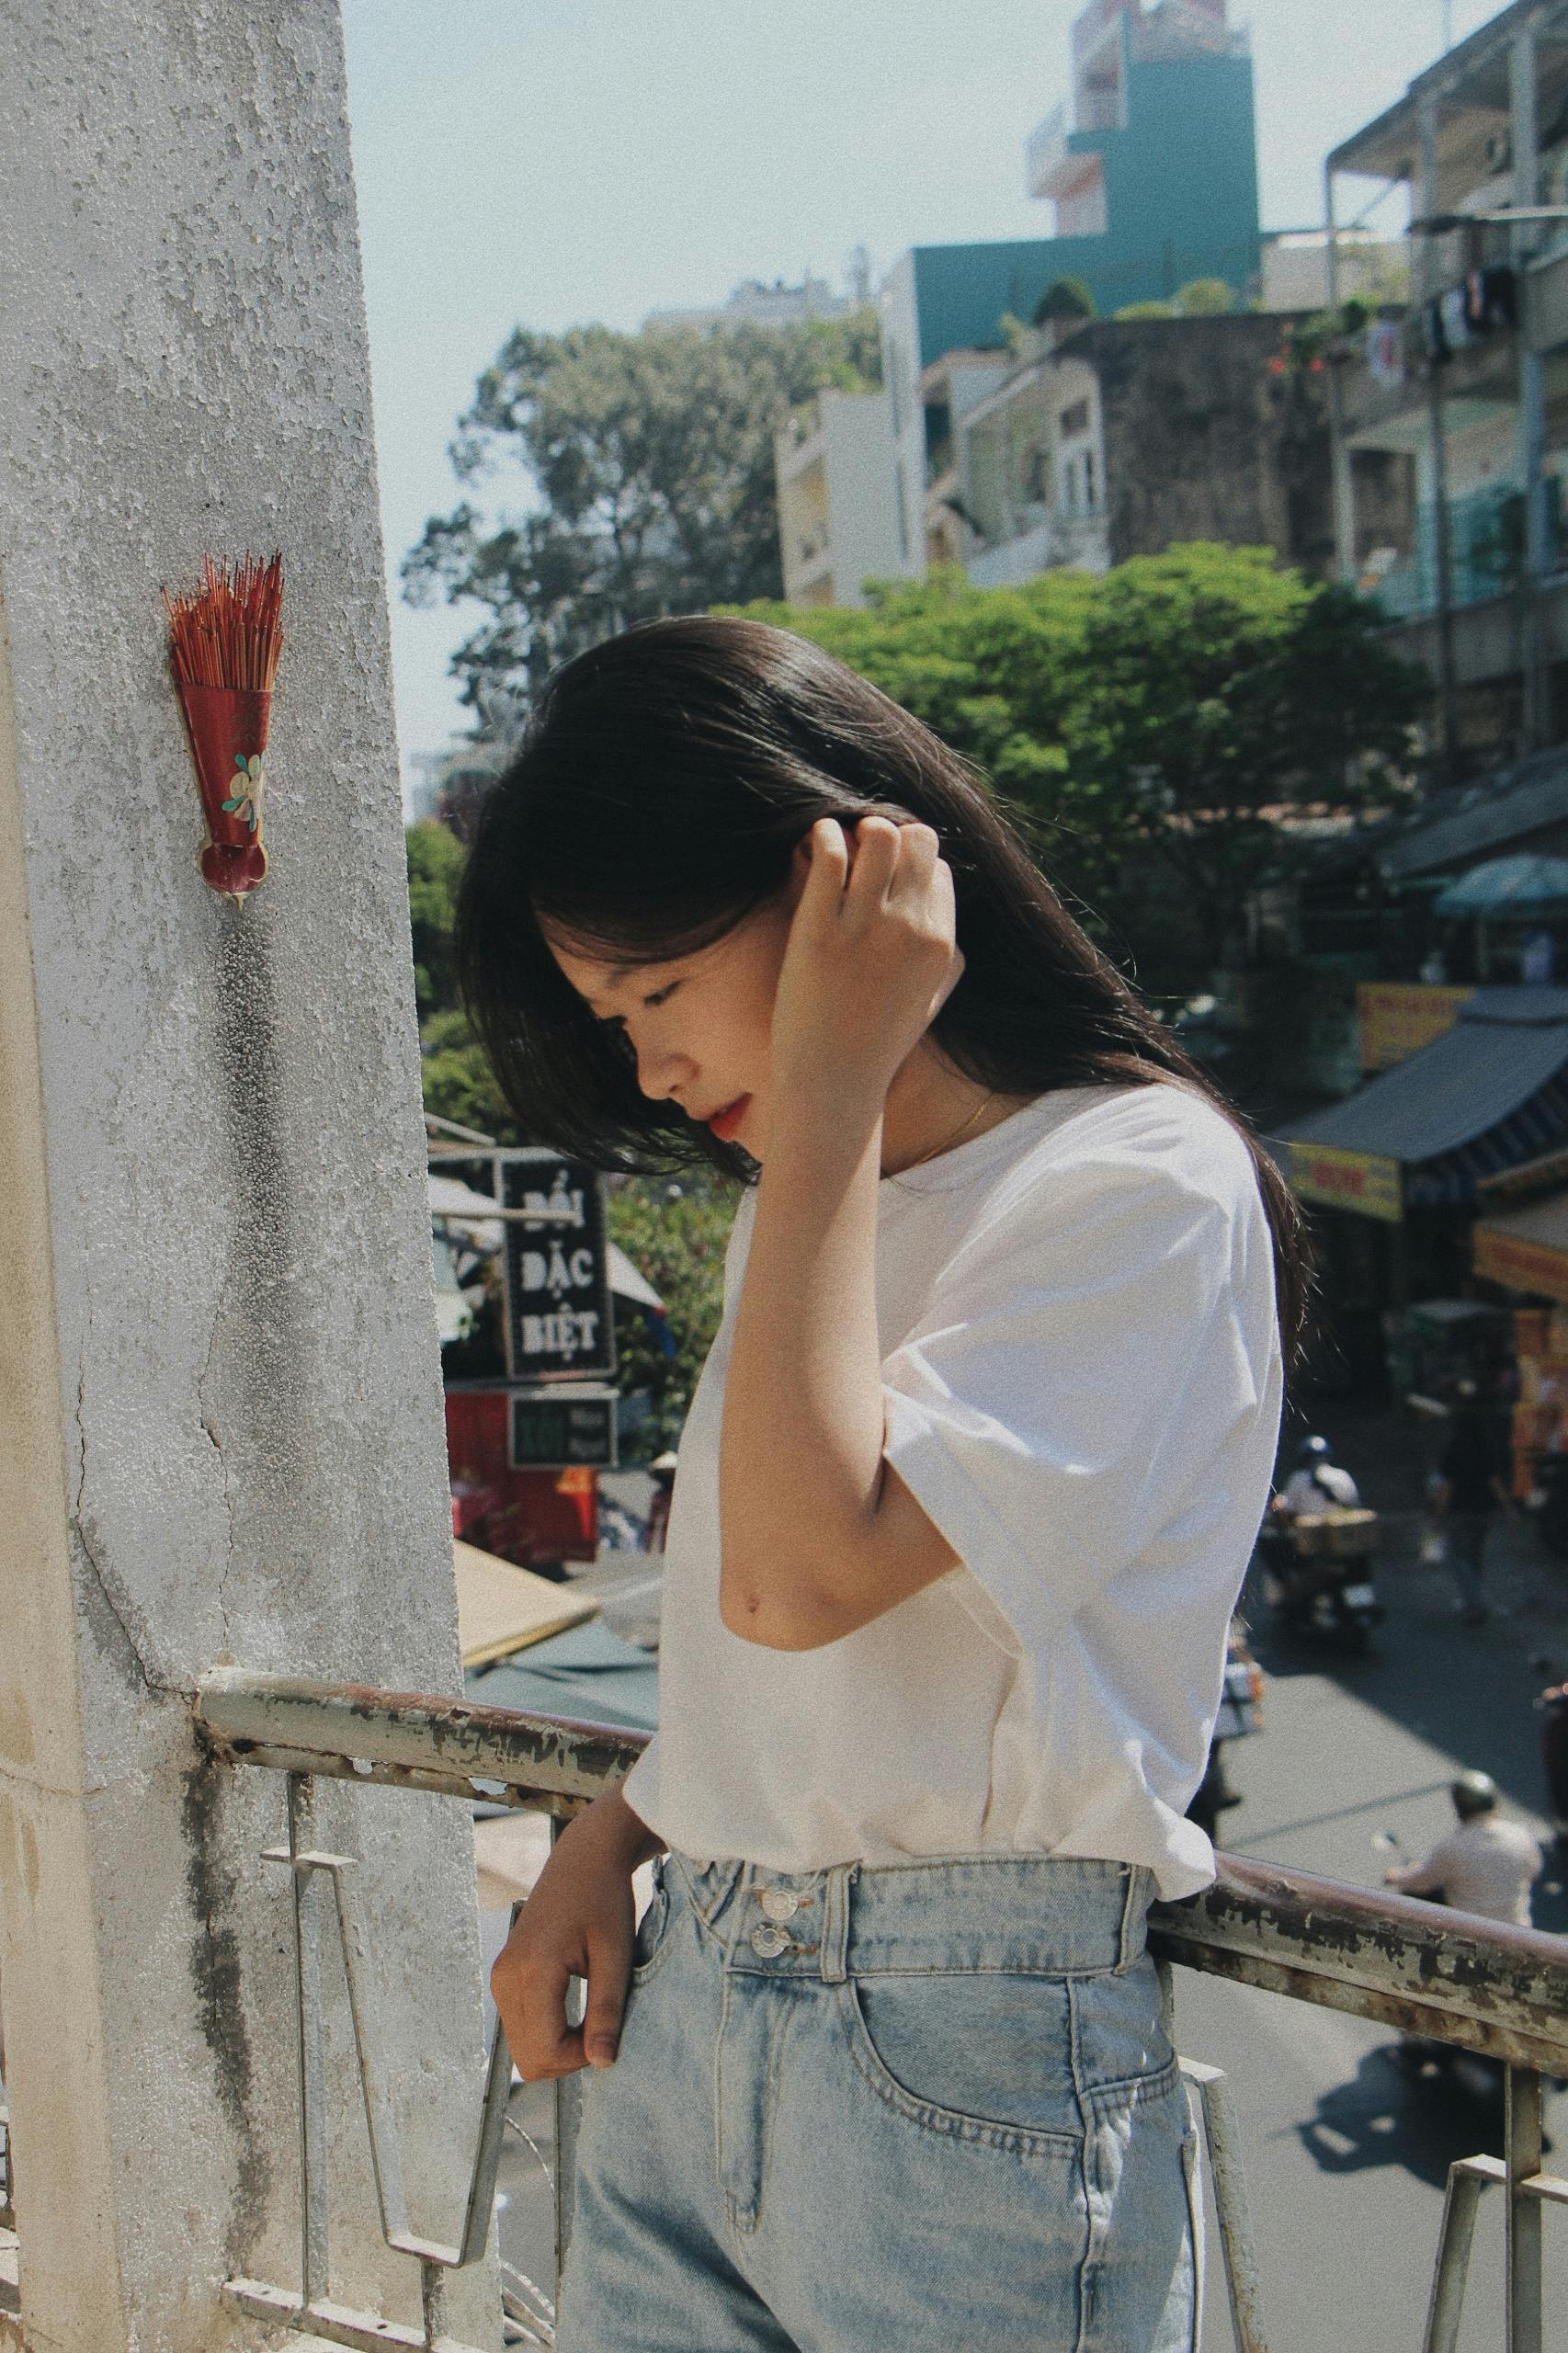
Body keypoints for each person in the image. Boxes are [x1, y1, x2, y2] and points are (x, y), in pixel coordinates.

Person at [460, 615, 1302, 2351]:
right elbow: (774, 1661)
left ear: (843, 881)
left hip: (964, 2052)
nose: (651, 1070)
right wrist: (605, 1843)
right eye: (613, 1022)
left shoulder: (1136, 1180)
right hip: (695, 2004)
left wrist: (835, 1076)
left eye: (658, 994)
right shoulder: (817, 1198)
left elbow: (796, 1577)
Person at [1383, 1770, 1542, 1927]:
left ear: (1459, 1808)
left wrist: (1396, 1876)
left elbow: (1422, 1881)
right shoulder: (1520, 1835)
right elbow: (1534, 1870)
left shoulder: (1452, 1847)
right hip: (1518, 1928)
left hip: (1475, 1933)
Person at [1433, 1381, 1511, 1629]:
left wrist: (1437, 1516)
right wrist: (1508, 1509)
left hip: (1459, 1511)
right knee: (1475, 1558)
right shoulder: (1488, 1448)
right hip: (1484, 1511)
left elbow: (1446, 1488)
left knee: (1458, 1558)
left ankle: (1476, 1601)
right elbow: (1495, 1481)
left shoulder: (1454, 1449)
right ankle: (1472, 1605)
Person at [1277, 1434, 1361, 1518]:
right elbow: (1354, 1504)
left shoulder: (1299, 1478)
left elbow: (1287, 1509)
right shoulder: (1342, 1475)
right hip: (1340, 1527)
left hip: (1310, 1529)